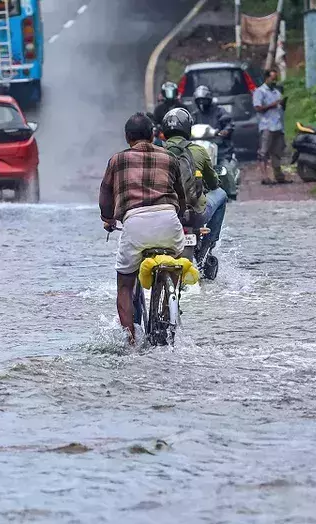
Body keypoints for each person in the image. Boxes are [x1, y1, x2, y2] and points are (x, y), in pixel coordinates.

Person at [99, 113, 188, 344]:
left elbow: (105, 196)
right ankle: (170, 302)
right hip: (169, 220)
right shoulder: (169, 158)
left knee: (125, 285)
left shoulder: (117, 160)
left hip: (136, 224)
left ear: (128, 137)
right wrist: (177, 216)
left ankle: (130, 341)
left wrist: (108, 219)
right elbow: (181, 197)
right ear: (152, 135)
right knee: (175, 263)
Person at [162, 107, 226, 273]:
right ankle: (207, 246)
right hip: (195, 215)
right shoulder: (199, 150)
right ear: (187, 128)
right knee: (222, 195)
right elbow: (213, 184)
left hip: (166, 214)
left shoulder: (157, 152)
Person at [253, 68, 290, 185]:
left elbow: (280, 109)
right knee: (264, 152)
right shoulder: (260, 92)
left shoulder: (277, 92)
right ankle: (265, 177)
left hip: (278, 125)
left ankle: (278, 175)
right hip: (266, 125)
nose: (274, 81)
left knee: (277, 152)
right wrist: (272, 105)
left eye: (276, 79)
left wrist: (283, 104)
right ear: (266, 78)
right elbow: (258, 108)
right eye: (272, 79)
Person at [191, 85, 233, 158]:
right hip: (198, 146)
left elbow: (228, 123)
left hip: (219, 147)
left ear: (209, 99)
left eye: (204, 100)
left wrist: (225, 130)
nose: (201, 103)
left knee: (225, 166)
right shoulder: (195, 115)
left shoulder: (219, 111)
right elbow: (188, 126)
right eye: (199, 100)